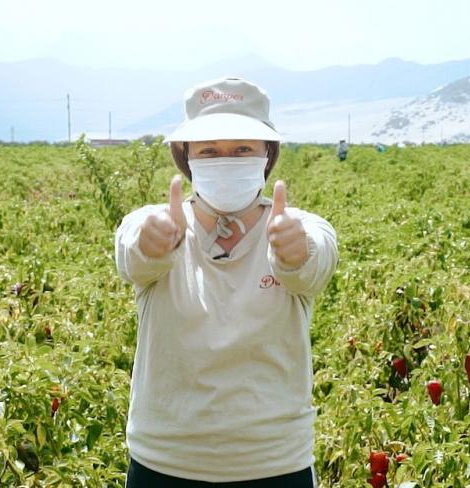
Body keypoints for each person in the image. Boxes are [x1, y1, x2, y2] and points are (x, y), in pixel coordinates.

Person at [115, 77, 338, 487]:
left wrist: (296, 250)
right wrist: (153, 243)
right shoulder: (152, 222)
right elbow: (134, 255)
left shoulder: (301, 226)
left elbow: (315, 261)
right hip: (166, 462)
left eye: (242, 149)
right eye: (209, 151)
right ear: (187, 158)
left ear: (266, 156)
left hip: (273, 464)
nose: (226, 159)